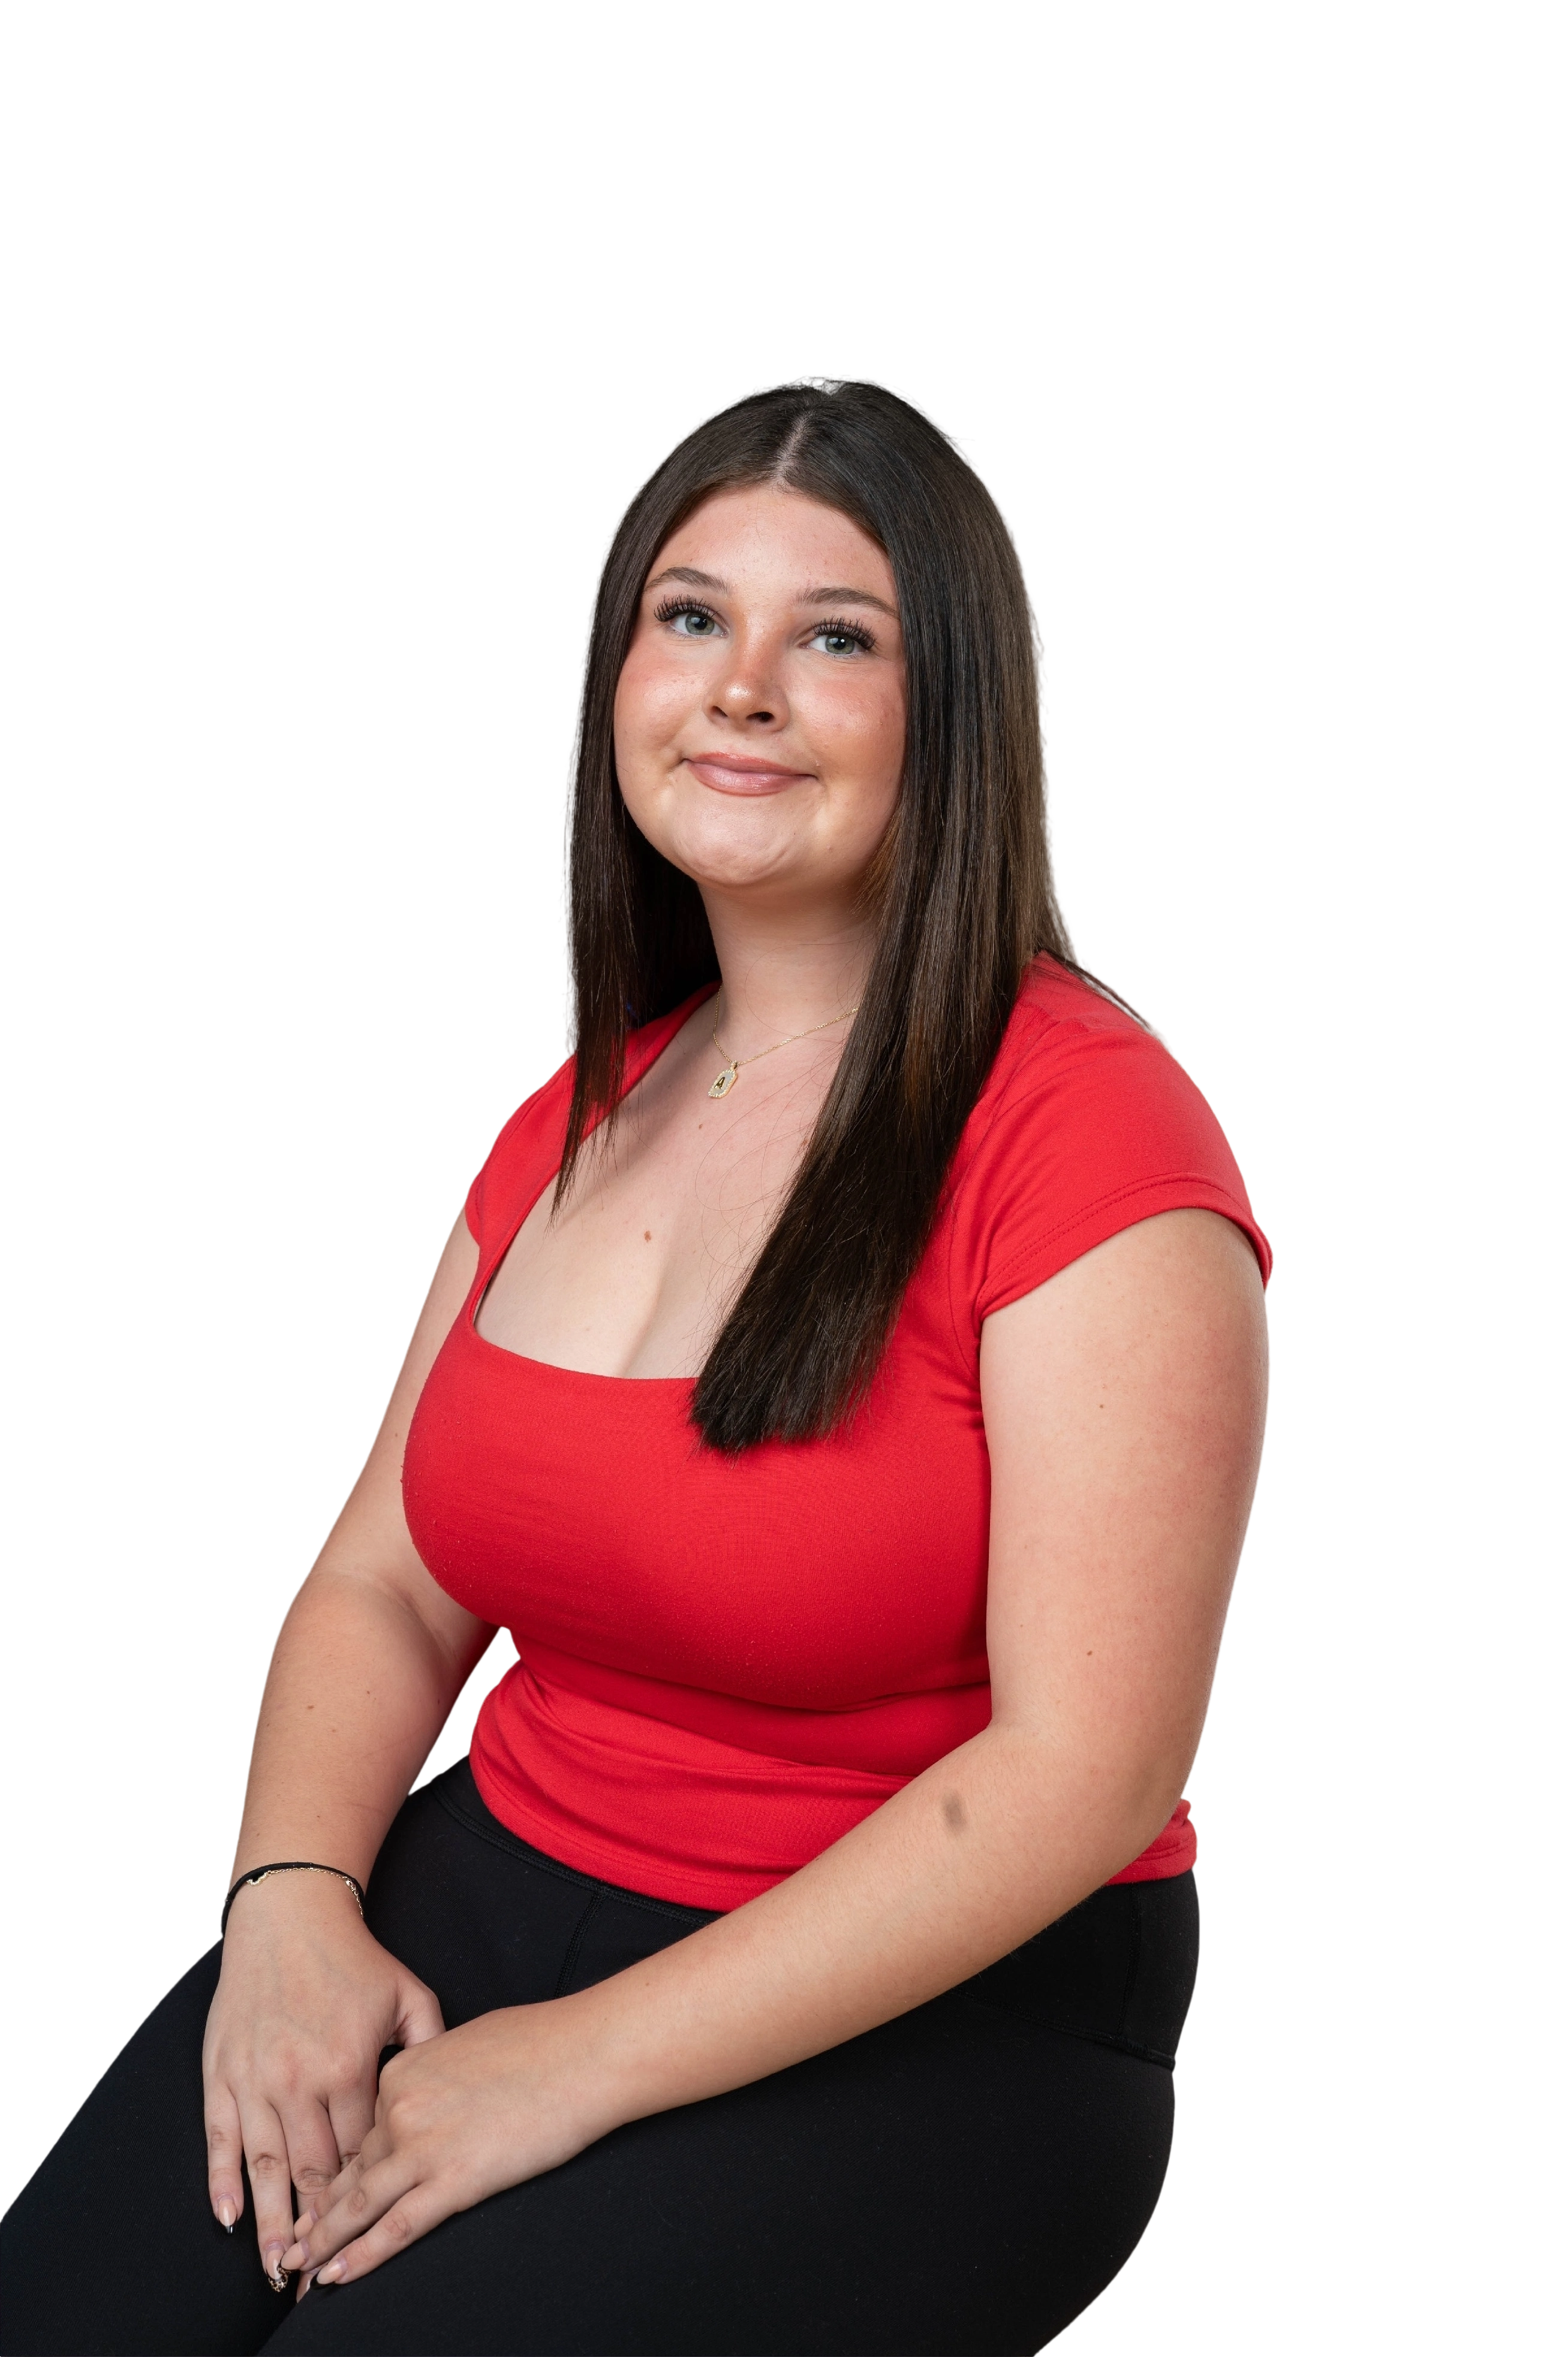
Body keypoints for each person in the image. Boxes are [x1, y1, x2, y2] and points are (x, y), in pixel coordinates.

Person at [1, 374, 1271, 2357]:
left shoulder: (1088, 1136)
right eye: (691, 617)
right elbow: (379, 1584)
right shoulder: (577, 1115)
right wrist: (290, 1906)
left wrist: (570, 2064)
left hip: (946, 2011)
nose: (740, 688)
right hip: (507, 1879)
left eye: (834, 638)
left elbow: (1082, 1773)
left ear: (958, 711)